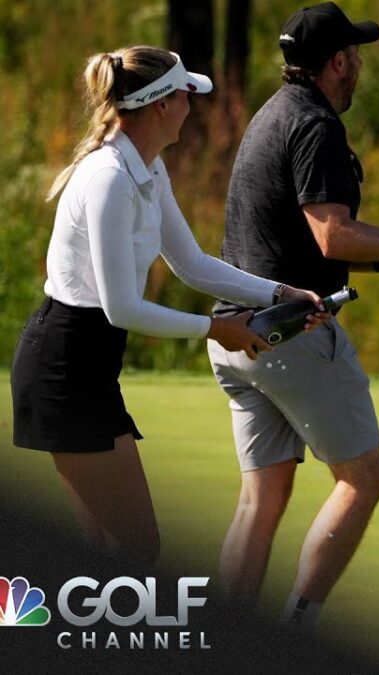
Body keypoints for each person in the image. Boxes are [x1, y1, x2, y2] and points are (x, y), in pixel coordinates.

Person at [207, 1, 379, 632]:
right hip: (292, 335)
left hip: (237, 337)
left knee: (260, 499)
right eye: (354, 54)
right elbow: (333, 235)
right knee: (363, 478)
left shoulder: (273, 114)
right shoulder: (316, 126)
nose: (359, 64)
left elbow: (295, 238)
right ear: (336, 63)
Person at [9, 46, 327, 567]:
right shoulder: (109, 178)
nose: (190, 105)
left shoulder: (147, 169)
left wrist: (277, 293)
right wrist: (216, 329)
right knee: (136, 547)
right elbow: (121, 309)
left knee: (110, 553)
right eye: (185, 95)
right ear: (161, 105)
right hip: (63, 368)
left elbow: (192, 264)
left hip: (88, 366)